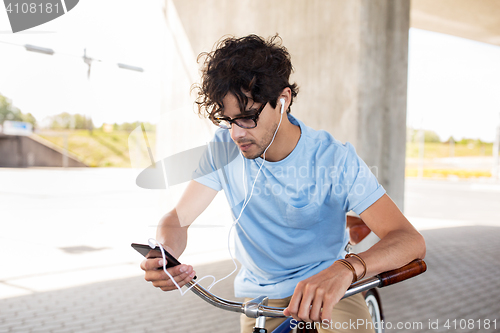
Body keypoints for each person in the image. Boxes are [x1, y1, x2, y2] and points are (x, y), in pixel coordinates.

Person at [140, 34, 426, 333]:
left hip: (329, 286)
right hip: (262, 300)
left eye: (248, 117)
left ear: (283, 100)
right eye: (228, 120)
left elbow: (410, 240)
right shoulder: (223, 148)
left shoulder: (334, 158)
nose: (236, 134)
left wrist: (347, 269)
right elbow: (177, 219)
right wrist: (164, 253)